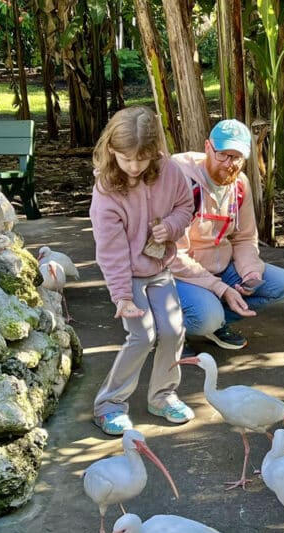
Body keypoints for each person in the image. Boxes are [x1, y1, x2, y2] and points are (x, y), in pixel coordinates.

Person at [89, 106, 195, 436]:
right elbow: (111, 250)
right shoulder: (106, 191)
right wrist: (121, 296)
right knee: (142, 335)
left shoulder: (171, 171)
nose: (134, 167)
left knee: (174, 330)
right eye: (127, 159)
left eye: (142, 159)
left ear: (155, 152)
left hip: (159, 268)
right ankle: (109, 404)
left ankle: (162, 396)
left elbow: (186, 206)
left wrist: (172, 227)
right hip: (128, 275)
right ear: (112, 151)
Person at [170, 119, 284, 350]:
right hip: (181, 273)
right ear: (208, 147)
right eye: (223, 155)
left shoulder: (240, 185)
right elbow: (172, 254)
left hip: (221, 267)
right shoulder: (181, 181)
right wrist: (220, 289)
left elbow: (245, 237)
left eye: (237, 157)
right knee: (206, 316)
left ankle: (216, 323)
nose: (230, 164)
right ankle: (170, 330)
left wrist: (251, 274)